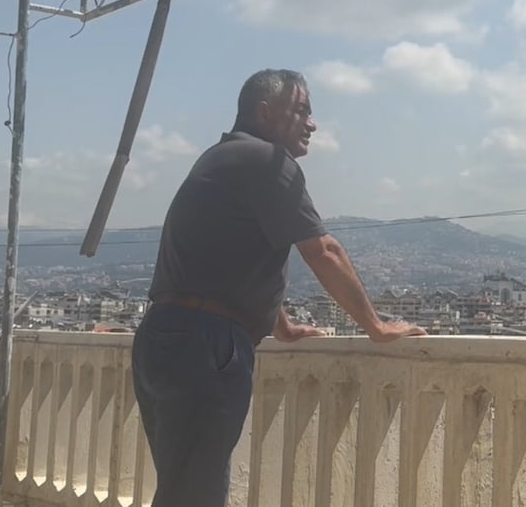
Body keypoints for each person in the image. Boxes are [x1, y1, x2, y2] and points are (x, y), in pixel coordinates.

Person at [131, 68, 426, 507]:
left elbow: (228, 262)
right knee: (193, 496)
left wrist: (281, 326)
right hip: (206, 345)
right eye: (302, 110)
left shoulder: (220, 158)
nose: (313, 123)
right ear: (266, 113)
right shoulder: (268, 163)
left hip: (163, 336)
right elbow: (323, 251)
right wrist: (376, 327)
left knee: (181, 488)